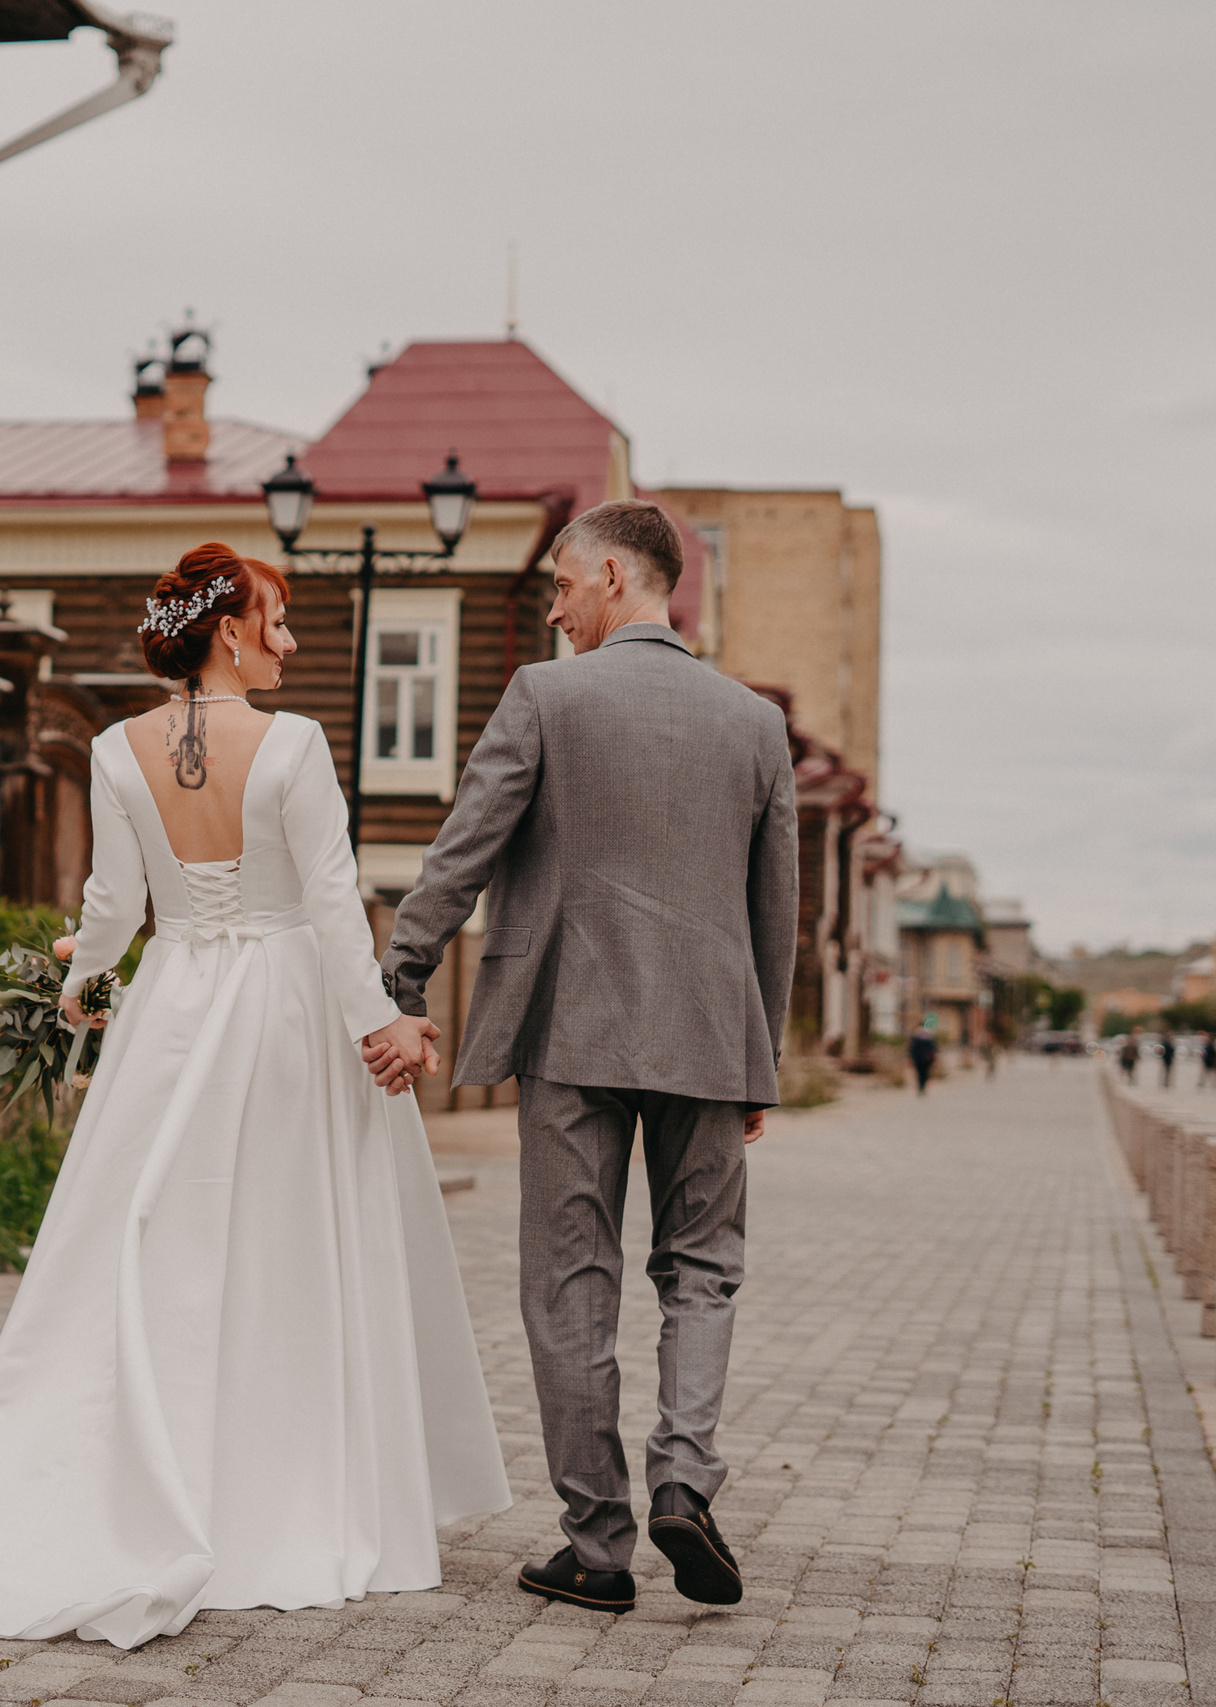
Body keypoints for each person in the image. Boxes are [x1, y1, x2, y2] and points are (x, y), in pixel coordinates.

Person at [0, 545, 510, 1646]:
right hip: (278, 1017)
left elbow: (113, 906)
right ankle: (280, 1488)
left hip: (173, 1011)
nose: (289, 641)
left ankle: (144, 1467)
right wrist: (382, 1026)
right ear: (229, 630)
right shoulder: (296, 745)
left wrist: (81, 986)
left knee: (155, 1235)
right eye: (276, 620)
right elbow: (328, 909)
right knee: (283, 1244)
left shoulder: (112, 750)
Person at [370, 500, 796, 1613]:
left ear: (614, 574)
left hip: (570, 1029)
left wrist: (398, 977)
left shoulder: (546, 698)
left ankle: (598, 1547)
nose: (552, 607)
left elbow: (463, 850)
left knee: (569, 1283)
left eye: (561, 585)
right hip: (710, 1036)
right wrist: (764, 1060)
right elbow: (775, 911)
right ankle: (684, 1482)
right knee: (703, 1267)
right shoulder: (752, 723)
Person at [908, 1022, 939, 1094]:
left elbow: (912, 1049)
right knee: (925, 1073)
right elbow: (933, 1048)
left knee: (920, 1073)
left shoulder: (916, 1037)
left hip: (918, 1058)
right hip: (926, 1059)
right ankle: (922, 1086)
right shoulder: (929, 1037)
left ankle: (921, 1086)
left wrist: (910, 1057)